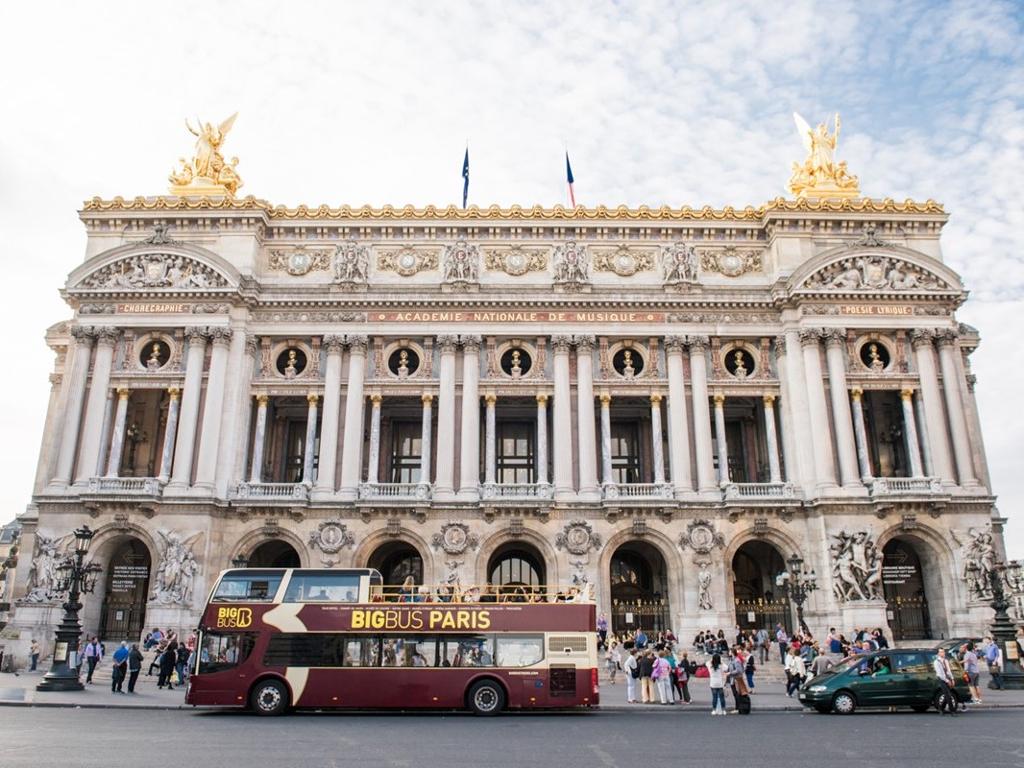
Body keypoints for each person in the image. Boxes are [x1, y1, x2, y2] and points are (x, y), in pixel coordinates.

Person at [933, 647, 958, 716]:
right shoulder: (936, 662)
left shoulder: (946, 661)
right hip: (941, 679)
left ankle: (940, 709)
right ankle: (952, 711)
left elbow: (948, 671)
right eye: (941, 652)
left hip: (948, 678)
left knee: (947, 695)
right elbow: (940, 674)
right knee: (948, 695)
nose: (942, 653)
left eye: (943, 652)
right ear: (938, 653)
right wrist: (947, 681)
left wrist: (952, 679)